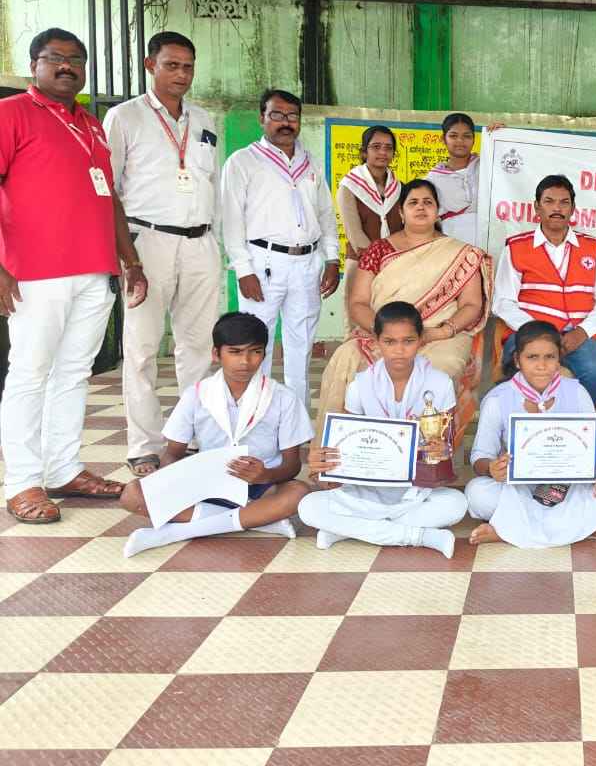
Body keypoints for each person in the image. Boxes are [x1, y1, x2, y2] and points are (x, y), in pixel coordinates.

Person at [1, 28, 147, 524]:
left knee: (73, 374)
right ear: (34, 65)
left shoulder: (91, 124)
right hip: (35, 271)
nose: (67, 67)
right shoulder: (11, 114)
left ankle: (63, 468)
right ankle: (23, 482)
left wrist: (130, 260)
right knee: (29, 373)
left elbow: (109, 197)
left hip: (94, 270)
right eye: (55, 58)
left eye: (76, 60)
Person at [104, 31, 221, 477]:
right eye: (172, 65)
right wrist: (125, 255)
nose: (181, 75)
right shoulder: (124, 117)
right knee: (142, 348)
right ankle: (145, 445)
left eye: (188, 67)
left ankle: (194, 435)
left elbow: (211, 185)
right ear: (150, 65)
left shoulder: (204, 119)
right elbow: (109, 189)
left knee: (199, 346)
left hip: (200, 243)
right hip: (147, 242)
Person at [118, 313, 310, 557]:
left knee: (299, 493)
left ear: (264, 354)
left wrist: (265, 475)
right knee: (132, 494)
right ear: (216, 354)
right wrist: (165, 484)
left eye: (255, 352)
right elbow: (173, 454)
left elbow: (292, 465)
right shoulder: (197, 394)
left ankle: (178, 531)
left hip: (261, 487)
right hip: (207, 484)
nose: (245, 361)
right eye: (235, 352)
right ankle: (259, 520)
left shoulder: (283, 398)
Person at [300, 302, 468, 554]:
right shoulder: (360, 385)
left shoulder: (439, 383)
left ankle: (347, 529)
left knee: (456, 504)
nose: (399, 350)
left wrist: (441, 449)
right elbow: (350, 442)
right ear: (376, 341)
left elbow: (446, 444)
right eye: (389, 342)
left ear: (421, 340)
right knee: (308, 507)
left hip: (415, 487)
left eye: (408, 341)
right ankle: (419, 536)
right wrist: (327, 460)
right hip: (367, 488)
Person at [316, 178, 490, 419]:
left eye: (428, 202)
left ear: (437, 211)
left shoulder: (463, 254)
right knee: (347, 358)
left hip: (440, 336)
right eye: (413, 202)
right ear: (401, 212)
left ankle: (429, 442)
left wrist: (439, 332)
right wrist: (386, 334)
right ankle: (352, 440)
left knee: (442, 370)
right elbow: (358, 303)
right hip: (383, 333)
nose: (421, 207)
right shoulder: (379, 250)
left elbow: (472, 305)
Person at [221, 88, 341, 412]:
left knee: (301, 346)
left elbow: (325, 215)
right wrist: (243, 269)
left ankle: (296, 418)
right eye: (276, 115)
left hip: (307, 262)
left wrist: (332, 258)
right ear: (262, 118)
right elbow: (231, 220)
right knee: (255, 344)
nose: (285, 122)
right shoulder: (243, 162)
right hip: (262, 263)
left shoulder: (310, 162)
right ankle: (255, 415)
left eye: (292, 116)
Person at [465, 321, 596, 548]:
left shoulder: (577, 393)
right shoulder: (498, 399)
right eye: (532, 357)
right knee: (477, 494)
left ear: (559, 359)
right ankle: (577, 527)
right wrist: (492, 469)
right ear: (517, 360)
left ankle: (507, 530)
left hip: (564, 486)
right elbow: (480, 457)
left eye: (550, 357)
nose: (542, 365)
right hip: (517, 489)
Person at [493, 174, 596, 404]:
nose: (557, 208)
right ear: (537, 207)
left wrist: (583, 331)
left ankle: (571, 421)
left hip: (579, 335)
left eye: (564, 202)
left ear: (573, 209)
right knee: (518, 371)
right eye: (549, 201)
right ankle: (529, 423)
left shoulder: (591, 247)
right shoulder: (517, 247)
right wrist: (539, 333)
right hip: (529, 332)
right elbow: (503, 302)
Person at [337, 125, 403, 301]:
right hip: (361, 265)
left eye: (388, 148)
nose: (383, 152)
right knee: (360, 313)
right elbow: (354, 233)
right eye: (376, 147)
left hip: (395, 266)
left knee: (390, 314)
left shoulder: (399, 188)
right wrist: (378, 262)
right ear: (364, 152)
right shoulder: (349, 187)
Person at [427, 112, 482, 247]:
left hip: (490, 243)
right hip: (452, 245)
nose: (460, 141)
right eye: (453, 136)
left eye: (466, 136)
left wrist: (501, 134)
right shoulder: (432, 180)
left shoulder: (487, 167)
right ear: (443, 139)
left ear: (474, 139)